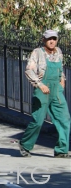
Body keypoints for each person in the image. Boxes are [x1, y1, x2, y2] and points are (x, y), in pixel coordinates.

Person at [19, 29, 69, 158]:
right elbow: (29, 71)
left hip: (56, 91)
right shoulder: (37, 52)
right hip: (42, 90)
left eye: (54, 39)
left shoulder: (58, 52)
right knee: (38, 121)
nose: (52, 41)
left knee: (64, 119)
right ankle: (25, 145)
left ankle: (61, 150)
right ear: (44, 40)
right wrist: (39, 84)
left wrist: (62, 80)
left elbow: (60, 70)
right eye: (49, 39)